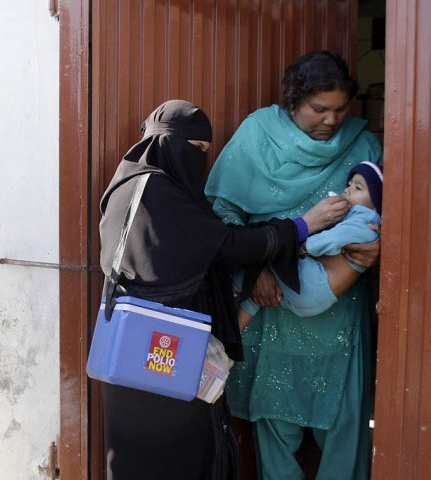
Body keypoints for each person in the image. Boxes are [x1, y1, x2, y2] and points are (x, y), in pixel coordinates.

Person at [98, 99, 343, 479]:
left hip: (130, 352)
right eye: (195, 150)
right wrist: (300, 226)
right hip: (168, 351)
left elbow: (208, 241)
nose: (200, 161)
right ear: (168, 144)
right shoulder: (160, 195)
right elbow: (226, 245)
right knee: (183, 454)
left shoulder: (129, 186)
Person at [204, 51, 383, 479]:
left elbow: (389, 213)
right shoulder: (258, 133)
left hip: (339, 308)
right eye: (318, 109)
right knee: (274, 418)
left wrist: (382, 248)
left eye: (340, 109)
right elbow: (222, 214)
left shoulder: (364, 144)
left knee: (344, 421)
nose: (331, 119)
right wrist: (258, 271)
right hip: (271, 302)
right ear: (293, 101)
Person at [237, 161, 383, 330]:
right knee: (257, 295)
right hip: (314, 296)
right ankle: (229, 343)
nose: (347, 190)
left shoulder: (364, 222)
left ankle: (232, 282)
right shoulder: (360, 221)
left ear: (376, 201)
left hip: (313, 286)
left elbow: (332, 239)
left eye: (358, 188)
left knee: (265, 264)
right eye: (349, 184)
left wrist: (304, 246)